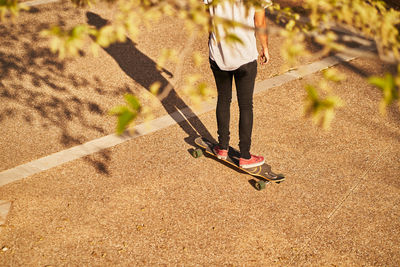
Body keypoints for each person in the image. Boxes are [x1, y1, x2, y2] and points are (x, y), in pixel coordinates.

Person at [205, 0, 272, 168]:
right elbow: (260, 22)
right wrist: (265, 47)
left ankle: (222, 148)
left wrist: (210, 39)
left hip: (218, 54)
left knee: (223, 99)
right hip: (245, 56)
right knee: (246, 105)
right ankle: (245, 156)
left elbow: (208, 18)